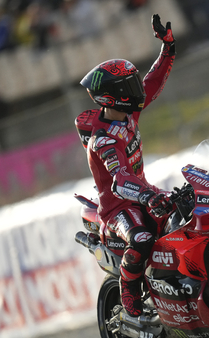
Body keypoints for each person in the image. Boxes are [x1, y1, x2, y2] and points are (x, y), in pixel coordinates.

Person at [75, 14, 176, 317]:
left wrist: (167, 48)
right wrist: (146, 196)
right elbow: (119, 181)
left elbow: (153, 81)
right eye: (129, 86)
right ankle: (129, 297)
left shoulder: (128, 115)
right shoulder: (103, 140)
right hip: (118, 208)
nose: (137, 89)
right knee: (143, 238)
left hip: (144, 193)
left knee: (183, 215)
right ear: (112, 97)